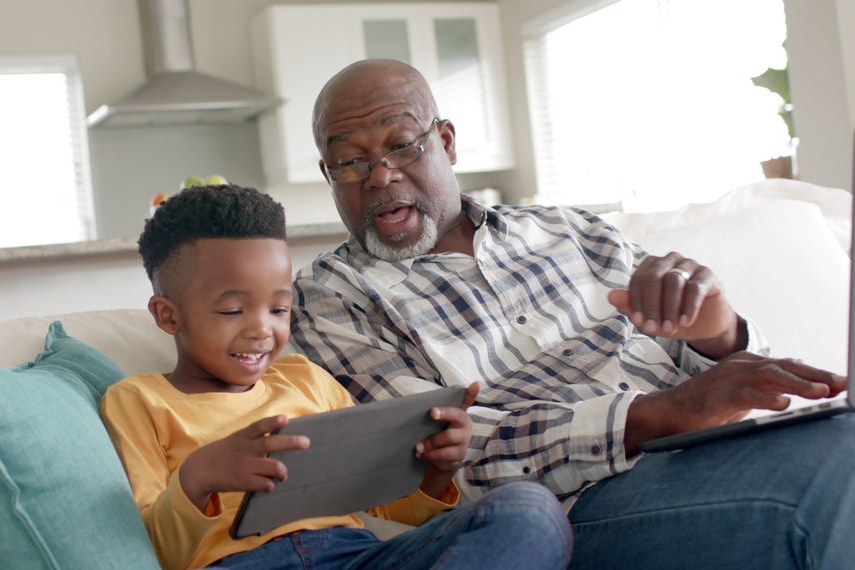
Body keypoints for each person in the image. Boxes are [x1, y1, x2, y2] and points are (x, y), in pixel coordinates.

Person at [290, 59, 854, 569]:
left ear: (446, 141)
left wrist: (718, 332)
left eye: (403, 145)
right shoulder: (332, 296)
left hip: (720, 449)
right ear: (328, 174)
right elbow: (440, 457)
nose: (380, 176)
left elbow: (722, 385)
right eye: (350, 162)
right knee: (834, 480)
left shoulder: (571, 230)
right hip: (580, 504)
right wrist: (657, 414)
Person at [99, 184, 573, 570]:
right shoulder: (139, 400)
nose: (262, 329)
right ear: (167, 316)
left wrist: (436, 471)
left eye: (279, 308)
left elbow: (385, 509)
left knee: (527, 511)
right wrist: (198, 476)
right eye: (232, 309)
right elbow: (148, 548)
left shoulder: (304, 379)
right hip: (241, 564)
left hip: (355, 556)